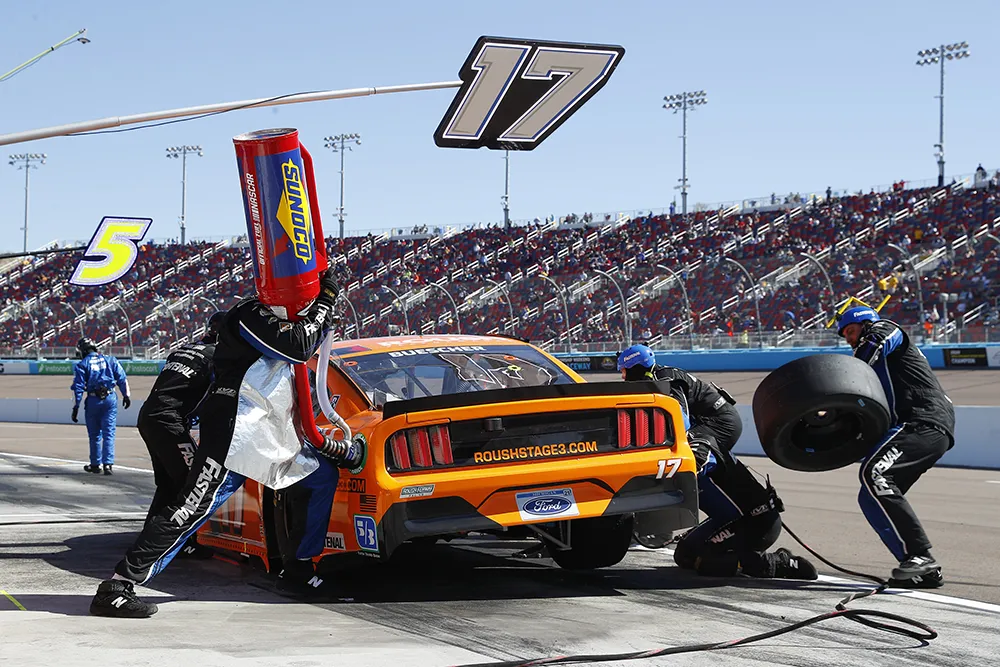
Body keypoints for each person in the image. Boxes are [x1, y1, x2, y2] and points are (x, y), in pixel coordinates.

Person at [89, 267, 364, 618]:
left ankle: (298, 570)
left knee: (320, 477)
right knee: (193, 506)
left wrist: (319, 310)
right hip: (235, 432)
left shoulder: (290, 318)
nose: (306, 299)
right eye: (304, 293)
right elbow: (297, 346)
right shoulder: (247, 313)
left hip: (269, 434)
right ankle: (118, 585)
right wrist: (325, 302)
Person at [617, 344, 817, 581]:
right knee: (685, 556)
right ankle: (720, 544)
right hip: (730, 518)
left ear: (631, 369)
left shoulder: (667, 384)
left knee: (709, 562)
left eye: (623, 372)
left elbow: (678, 419)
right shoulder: (661, 385)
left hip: (756, 522)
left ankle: (774, 563)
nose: (622, 378)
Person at [837, 306, 955, 588]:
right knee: (870, 495)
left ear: (864, 324)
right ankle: (918, 567)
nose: (850, 340)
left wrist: (848, 368)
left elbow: (874, 345)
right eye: (846, 337)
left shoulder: (886, 329)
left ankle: (920, 555)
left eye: (851, 332)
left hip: (923, 420)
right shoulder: (877, 362)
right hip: (919, 426)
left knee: (874, 473)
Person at [136, 312, 226, 559]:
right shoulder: (215, 357)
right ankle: (182, 541)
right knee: (193, 482)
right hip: (169, 420)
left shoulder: (182, 350)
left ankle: (150, 538)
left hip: (148, 416)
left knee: (168, 483)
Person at [71, 338, 131, 475]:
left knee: (94, 435)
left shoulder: (82, 364)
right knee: (109, 433)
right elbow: (122, 378)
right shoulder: (111, 360)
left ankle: (95, 464)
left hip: (93, 399)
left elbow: (78, 388)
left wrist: (76, 407)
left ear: (84, 350)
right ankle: (108, 465)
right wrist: (126, 395)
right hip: (110, 397)